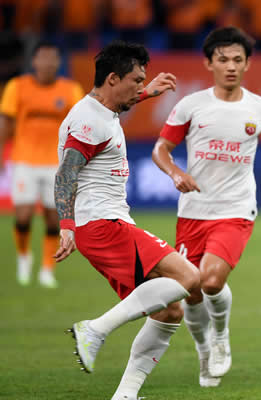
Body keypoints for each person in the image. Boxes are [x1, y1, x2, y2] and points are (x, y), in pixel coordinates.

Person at [54, 40, 201, 400]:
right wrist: (67, 226)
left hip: (107, 224)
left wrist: (148, 92)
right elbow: (66, 174)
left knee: (170, 309)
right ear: (112, 78)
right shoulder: (89, 121)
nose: (140, 87)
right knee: (188, 276)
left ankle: (125, 395)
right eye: (136, 80)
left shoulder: (103, 109)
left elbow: (123, 101)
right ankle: (95, 329)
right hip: (101, 225)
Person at [150, 26, 261, 387]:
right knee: (191, 290)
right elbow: (161, 149)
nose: (231, 66)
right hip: (193, 211)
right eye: (223, 59)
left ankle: (221, 336)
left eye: (237, 60)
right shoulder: (191, 105)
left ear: (247, 64)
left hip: (235, 209)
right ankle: (204, 353)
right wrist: (175, 173)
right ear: (208, 63)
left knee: (211, 280)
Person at [0, 40, 84, 288]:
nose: (47, 63)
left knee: (52, 218)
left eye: (52, 58)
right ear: (34, 61)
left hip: (57, 164)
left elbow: (80, 125)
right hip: (24, 160)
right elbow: (5, 121)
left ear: (58, 63)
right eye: (43, 58)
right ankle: (23, 256)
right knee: (23, 215)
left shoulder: (71, 89)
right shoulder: (17, 86)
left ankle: (47, 269)